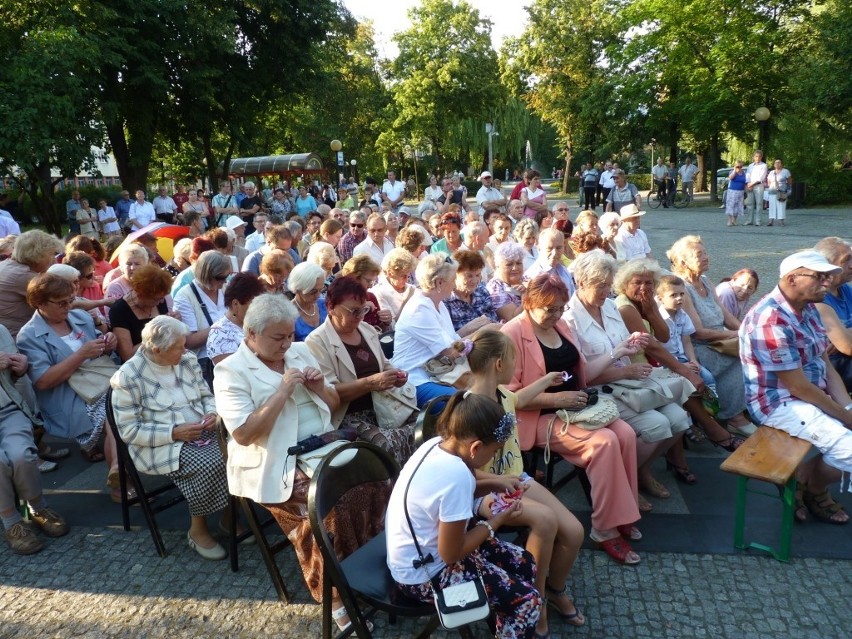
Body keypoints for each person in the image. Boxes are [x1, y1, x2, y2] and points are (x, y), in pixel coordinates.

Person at [214, 294, 384, 632]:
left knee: (379, 482)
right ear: (251, 335)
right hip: (274, 461)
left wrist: (321, 387)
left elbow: (334, 403)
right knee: (327, 511)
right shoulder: (230, 371)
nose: (287, 344)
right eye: (278, 338)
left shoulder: (301, 351)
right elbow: (245, 435)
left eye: (290, 335)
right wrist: (280, 392)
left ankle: (365, 572)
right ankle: (337, 599)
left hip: (321, 447)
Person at [504, 273, 646, 565]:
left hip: (577, 409)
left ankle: (622, 512)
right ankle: (604, 529)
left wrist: (617, 352)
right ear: (529, 303)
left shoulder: (562, 325)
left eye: (560, 308)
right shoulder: (512, 333)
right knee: (604, 442)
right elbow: (510, 397)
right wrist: (556, 399)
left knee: (627, 434)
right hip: (538, 417)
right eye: (549, 309)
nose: (556, 314)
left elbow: (583, 375)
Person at [385, 391, 543, 638]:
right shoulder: (455, 475)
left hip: (420, 551)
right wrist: (496, 522)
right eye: (494, 451)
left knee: (524, 562)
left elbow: (449, 501)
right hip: (421, 574)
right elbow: (452, 554)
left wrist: (496, 484)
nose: (493, 457)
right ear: (476, 447)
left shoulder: (436, 445)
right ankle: (512, 618)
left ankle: (502, 620)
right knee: (528, 602)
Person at [466, 329, 585, 633]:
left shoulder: (501, 393)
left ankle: (555, 590)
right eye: (513, 359)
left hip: (517, 478)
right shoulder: (471, 410)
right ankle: (535, 599)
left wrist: (547, 379)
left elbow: (518, 399)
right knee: (545, 521)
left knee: (574, 532)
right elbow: (460, 470)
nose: (515, 365)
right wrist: (500, 481)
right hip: (485, 490)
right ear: (498, 364)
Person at [564, 251, 689, 511]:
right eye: (600, 286)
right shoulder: (570, 319)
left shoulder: (608, 306)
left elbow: (625, 347)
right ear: (581, 283)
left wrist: (634, 345)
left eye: (609, 285)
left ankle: (639, 471)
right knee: (656, 425)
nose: (606, 292)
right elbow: (580, 376)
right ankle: (624, 481)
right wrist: (623, 369)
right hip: (600, 390)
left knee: (679, 419)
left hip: (629, 384)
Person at [740, 250, 852, 524]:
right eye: (819, 277)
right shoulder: (770, 320)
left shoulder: (810, 307)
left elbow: (825, 364)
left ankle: (809, 485)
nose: (827, 283)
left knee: (845, 437)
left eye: (828, 277)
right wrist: (846, 416)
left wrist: (847, 407)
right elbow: (799, 388)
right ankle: (811, 486)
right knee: (848, 448)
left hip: (811, 394)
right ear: (792, 279)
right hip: (779, 403)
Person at [111, 316, 231, 559]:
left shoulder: (185, 360)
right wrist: (173, 433)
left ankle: (230, 518)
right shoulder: (128, 377)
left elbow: (207, 395)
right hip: (159, 443)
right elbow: (129, 431)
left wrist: (212, 413)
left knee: (242, 450)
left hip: (199, 431)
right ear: (157, 349)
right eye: (178, 346)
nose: (185, 349)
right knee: (211, 462)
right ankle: (198, 530)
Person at [17, 274, 120, 494]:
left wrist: (108, 343)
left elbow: (99, 354)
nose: (68, 306)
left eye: (70, 300)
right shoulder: (29, 335)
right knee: (115, 413)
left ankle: (119, 472)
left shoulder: (80, 316)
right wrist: (81, 354)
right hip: (69, 395)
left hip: (99, 383)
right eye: (61, 302)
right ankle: (122, 480)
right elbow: (43, 381)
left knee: (118, 408)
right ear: (39, 303)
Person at [305, 276, 415, 464]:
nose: (360, 317)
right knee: (388, 443)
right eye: (353, 311)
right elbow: (330, 392)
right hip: (348, 416)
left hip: (383, 407)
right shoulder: (317, 341)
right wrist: (370, 383)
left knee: (427, 424)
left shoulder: (367, 330)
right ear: (331, 308)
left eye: (363, 310)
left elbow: (384, 365)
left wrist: (396, 375)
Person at [667, 236, 756, 436]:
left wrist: (748, 332)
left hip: (720, 339)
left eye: (705, 252)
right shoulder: (683, 287)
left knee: (756, 349)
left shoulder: (705, 281)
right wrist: (737, 334)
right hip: (699, 347)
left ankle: (748, 407)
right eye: (699, 255)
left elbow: (725, 314)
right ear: (683, 262)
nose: (706, 257)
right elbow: (698, 332)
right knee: (740, 360)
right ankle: (734, 417)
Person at [0, 323, 69, 554]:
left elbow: (15, 379)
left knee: (22, 456)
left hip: (7, 410)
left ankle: (36, 508)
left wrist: (19, 369)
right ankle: (12, 522)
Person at [655, 275, 742, 451]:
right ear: (660, 297)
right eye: (673, 295)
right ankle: (689, 423)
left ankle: (711, 414)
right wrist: (681, 365)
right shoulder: (660, 319)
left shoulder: (682, 315)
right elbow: (658, 350)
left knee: (707, 377)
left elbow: (686, 341)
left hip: (683, 358)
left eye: (682, 294)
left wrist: (693, 360)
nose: (679, 298)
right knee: (684, 384)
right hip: (665, 362)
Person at [392, 253, 466, 407]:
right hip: (413, 380)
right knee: (462, 402)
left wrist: (481, 326)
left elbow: (454, 339)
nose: (455, 284)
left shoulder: (438, 303)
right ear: (439, 283)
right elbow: (451, 351)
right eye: (453, 279)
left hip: (436, 373)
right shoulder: (419, 309)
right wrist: (483, 334)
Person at [173, 250, 231, 388]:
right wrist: (226, 322)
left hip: (232, 353)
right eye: (220, 278)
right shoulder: (185, 296)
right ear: (206, 274)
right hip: (205, 361)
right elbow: (189, 341)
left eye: (227, 276)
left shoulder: (224, 288)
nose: (224, 282)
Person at [0, 230, 64, 338]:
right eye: (51, 254)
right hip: (19, 338)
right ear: (38, 254)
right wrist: (100, 302)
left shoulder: (7, 265)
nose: (54, 258)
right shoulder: (23, 275)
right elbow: (64, 301)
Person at [109, 264, 175, 362]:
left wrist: (174, 323)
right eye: (157, 299)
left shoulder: (159, 299)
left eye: (163, 298)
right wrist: (157, 334)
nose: (161, 302)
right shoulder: (119, 310)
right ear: (141, 295)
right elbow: (128, 355)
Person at [813, 237, 852, 391]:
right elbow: (848, 346)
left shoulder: (844, 289)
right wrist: (845, 339)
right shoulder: (817, 297)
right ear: (826, 265)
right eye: (846, 260)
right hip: (832, 368)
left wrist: (846, 333)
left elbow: (844, 343)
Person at [206, 272, 265, 364]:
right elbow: (231, 371)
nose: (258, 310)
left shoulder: (260, 324)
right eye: (254, 305)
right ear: (235, 304)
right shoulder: (220, 334)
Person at [445, 250, 500, 337]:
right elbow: (448, 340)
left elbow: (494, 321)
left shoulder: (482, 292)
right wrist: (471, 328)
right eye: (469, 276)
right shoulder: (446, 301)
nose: (474, 281)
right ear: (455, 275)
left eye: (478, 275)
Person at [339, 255, 392, 332]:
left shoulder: (370, 296)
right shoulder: (339, 299)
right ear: (353, 277)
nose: (370, 286)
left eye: (373, 281)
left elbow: (378, 330)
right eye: (368, 281)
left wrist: (386, 322)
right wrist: (360, 308)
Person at [524, 227, 575, 296]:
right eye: (549, 249)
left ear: (564, 247)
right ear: (539, 248)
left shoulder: (564, 271)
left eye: (559, 248)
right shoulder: (533, 275)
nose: (554, 253)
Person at [372, 249, 417, 322]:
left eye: (408, 275)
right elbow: (392, 326)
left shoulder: (412, 289)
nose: (406, 280)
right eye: (403, 276)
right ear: (390, 273)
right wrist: (406, 302)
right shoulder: (378, 293)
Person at [287, 262, 328, 341]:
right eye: (313, 291)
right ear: (298, 288)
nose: (318, 295)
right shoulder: (288, 315)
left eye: (321, 290)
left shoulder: (324, 305)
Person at [487, 242, 526, 322]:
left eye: (519, 263)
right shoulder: (495, 288)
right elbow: (514, 319)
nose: (515, 268)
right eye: (509, 264)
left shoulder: (525, 279)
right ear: (498, 266)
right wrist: (527, 297)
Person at [744, 150, 768, 227]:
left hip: (758, 186)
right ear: (753, 157)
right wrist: (748, 184)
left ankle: (758, 221)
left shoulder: (764, 166)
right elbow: (747, 176)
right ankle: (749, 220)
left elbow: (761, 177)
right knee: (749, 204)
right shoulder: (750, 166)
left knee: (759, 204)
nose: (758, 158)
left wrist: (752, 184)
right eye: (756, 156)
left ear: (761, 157)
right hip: (750, 186)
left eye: (759, 156)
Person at [766, 159, 792, 227]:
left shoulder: (785, 171)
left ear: (781, 164)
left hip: (782, 191)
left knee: (781, 206)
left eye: (779, 162)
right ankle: (771, 220)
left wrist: (788, 189)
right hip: (772, 191)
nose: (777, 164)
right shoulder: (771, 172)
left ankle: (781, 221)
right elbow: (768, 181)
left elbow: (789, 181)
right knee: (771, 206)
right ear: (774, 164)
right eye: (776, 162)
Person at [725, 162, 747, 226]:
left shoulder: (744, 173)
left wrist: (746, 191)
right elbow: (731, 178)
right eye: (737, 166)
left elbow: (745, 182)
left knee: (738, 206)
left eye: (740, 166)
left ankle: (734, 220)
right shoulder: (732, 171)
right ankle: (729, 220)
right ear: (734, 166)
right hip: (732, 191)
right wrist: (735, 170)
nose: (739, 168)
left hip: (741, 191)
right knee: (731, 205)